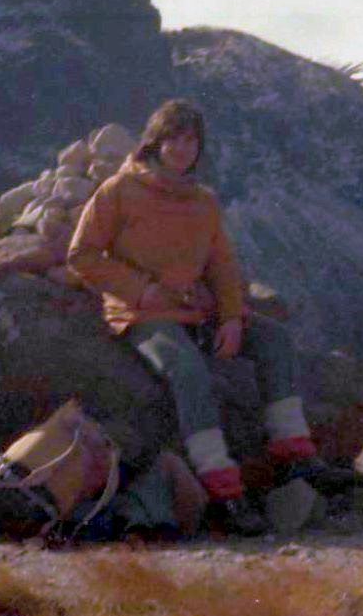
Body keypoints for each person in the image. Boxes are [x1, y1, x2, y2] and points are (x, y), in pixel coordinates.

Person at [67, 99, 333, 535]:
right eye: (174, 138)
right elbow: (82, 255)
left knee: (273, 339)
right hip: (142, 314)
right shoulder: (119, 190)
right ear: (156, 141)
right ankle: (222, 486)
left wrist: (231, 318)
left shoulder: (202, 201)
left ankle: (294, 455)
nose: (183, 148)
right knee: (187, 368)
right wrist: (142, 290)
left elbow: (223, 266)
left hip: (195, 311)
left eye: (192, 140)